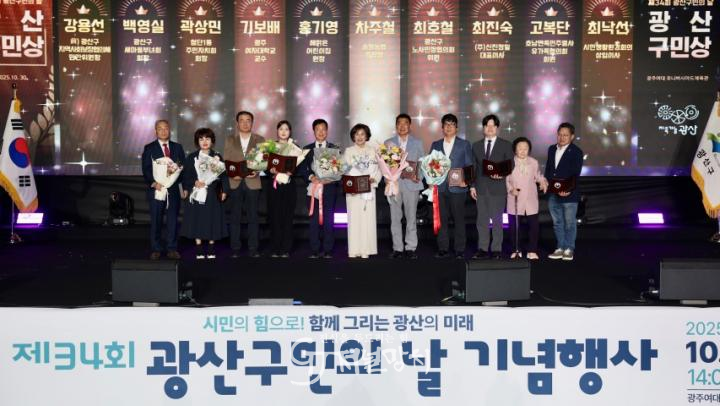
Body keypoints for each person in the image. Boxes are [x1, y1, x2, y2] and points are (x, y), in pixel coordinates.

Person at [429, 113, 473, 259]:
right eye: (446, 124)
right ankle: (443, 248)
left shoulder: (464, 144)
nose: (449, 127)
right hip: (440, 188)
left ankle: (460, 249)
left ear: (456, 128)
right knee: (441, 220)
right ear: (442, 128)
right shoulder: (435, 144)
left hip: (458, 187)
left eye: (452, 124)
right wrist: (430, 180)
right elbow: (430, 165)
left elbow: (469, 164)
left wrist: (466, 181)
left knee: (459, 219)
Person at [470, 114, 514, 259]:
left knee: (497, 221)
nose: (489, 128)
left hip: (498, 189)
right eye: (487, 125)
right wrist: (472, 186)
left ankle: (496, 249)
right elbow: (473, 167)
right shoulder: (476, 145)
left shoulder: (506, 145)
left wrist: (501, 174)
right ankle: (482, 248)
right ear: (483, 128)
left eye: (492, 125)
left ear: (497, 128)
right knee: (481, 221)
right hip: (481, 188)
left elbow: (510, 164)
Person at [141, 119, 186, 260]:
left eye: (166, 128)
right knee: (156, 220)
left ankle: (172, 248)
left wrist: (181, 186)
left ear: (169, 130)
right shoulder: (149, 148)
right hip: (157, 189)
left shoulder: (177, 147)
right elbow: (146, 168)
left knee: (172, 220)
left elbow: (182, 167)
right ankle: (156, 249)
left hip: (173, 190)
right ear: (156, 131)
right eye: (160, 128)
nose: (163, 131)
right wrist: (154, 183)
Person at [181, 128, 228, 259]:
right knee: (197, 219)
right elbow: (186, 176)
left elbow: (223, 176)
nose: (204, 141)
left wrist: (225, 191)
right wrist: (195, 182)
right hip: (197, 193)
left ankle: (211, 247)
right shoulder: (192, 157)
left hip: (212, 193)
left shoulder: (217, 157)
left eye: (207, 138)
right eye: (201, 139)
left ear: (212, 141)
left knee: (212, 219)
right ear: (197, 142)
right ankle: (199, 248)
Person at [224, 111, 265, 258]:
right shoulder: (230, 139)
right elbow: (226, 160)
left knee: (253, 216)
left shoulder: (260, 139)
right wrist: (232, 173)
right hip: (235, 182)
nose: (245, 123)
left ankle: (253, 248)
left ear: (252, 123)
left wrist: (257, 171)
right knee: (235, 216)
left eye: (248, 120)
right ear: (237, 123)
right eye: (242, 120)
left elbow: (263, 161)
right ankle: (235, 248)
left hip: (252, 182)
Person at [298, 118, 339, 259]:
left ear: (327, 131)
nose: (321, 132)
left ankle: (328, 249)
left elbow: (338, 169)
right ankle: (314, 249)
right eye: (318, 129)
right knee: (314, 220)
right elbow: (302, 168)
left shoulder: (334, 148)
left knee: (329, 220)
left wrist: (330, 178)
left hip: (329, 188)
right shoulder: (307, 149)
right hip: (313, 189)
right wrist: (311, 177)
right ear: (313, 131)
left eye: (323, 129)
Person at [386, 113, 424, 259]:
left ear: (410, 126)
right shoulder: (388, 143)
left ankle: (410, 247)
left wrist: (417, 176)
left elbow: (422, 163)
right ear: (396, 126)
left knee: (411, 217)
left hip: (411, 185)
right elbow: (384, 165)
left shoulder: (417, 143)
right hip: (394, 185)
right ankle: (397, 248)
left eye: (405, 123)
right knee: (395, 218)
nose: (402, 126)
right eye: (399, 123)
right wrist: (388, 180)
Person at [545, 122, 584, 261]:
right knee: (557, 222)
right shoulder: (551, 149)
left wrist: (567, 189)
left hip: (569, 194)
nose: (562, 137)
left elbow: (575, 173)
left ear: (572, 136)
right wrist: (547, 185)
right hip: (553, 193)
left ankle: (569, 249)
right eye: (560, 134)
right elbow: (549, 170)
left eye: (565, 135)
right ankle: (560, 247)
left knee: (569, 223)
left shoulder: (576, 152)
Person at [505, 137, 548, 260]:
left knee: (534, 227)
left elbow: (538, 175)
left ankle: (532, 250)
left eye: (526, 148)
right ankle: (516, 249)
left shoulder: (533, 162)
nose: (523, 151)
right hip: (515, 198)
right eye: (520, 148)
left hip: (530, 199)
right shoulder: (509, 163)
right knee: (514, 227)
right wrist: (510, 189)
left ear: (529, 150)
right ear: (515, 150)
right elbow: (506, 179)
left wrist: (542, 182)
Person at [343, 123, 381, 258]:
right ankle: (353, 250)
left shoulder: (373, 151)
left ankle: (366, 250)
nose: (359, 137)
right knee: (354, 219)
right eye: (357, 134)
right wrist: (350, 186)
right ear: (353, 136)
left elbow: (378, 170)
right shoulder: (348, 151)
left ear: (367, 136)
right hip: (353, 192)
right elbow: (345, 170)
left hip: (368, 190)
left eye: (362, 134)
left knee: (367, 219)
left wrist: (374, 179)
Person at [267, 120, 298, 258]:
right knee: (274, 218)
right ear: (277, 131)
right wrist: (270, 170)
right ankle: (275, 248)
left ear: (290, 132)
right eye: (281, 129)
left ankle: (286, 249)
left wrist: (292, 171)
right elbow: (264, 166)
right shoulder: (271, 147)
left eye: (286, 129)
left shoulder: (294, 148)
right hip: (274, 187)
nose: (284, 132)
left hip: (289, 187)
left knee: (287, 218)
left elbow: (299, 167)